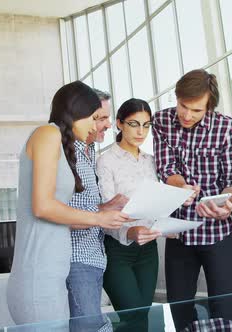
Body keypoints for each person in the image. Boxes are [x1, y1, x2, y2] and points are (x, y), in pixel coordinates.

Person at [6, 81, 129, 325]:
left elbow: (60, 211)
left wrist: (102, 211)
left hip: (53, 272)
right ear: (77, 111)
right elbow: (42, 206)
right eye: (94, 118)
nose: (96, 126)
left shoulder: (62, 146)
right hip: (38, 275)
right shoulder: (47, 133)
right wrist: (98, 218)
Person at [153, 69, 232, 330]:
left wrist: (227, 205)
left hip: (217, 231)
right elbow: (166, 168)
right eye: (183, 105)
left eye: (195, 110)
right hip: (180, 232)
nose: (186, 115)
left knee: (225, 305)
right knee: (178, 306)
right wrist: (181, 187)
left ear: (209, 107)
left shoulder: (226, 128)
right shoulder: (162, 121)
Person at [66, 88, 129, 331]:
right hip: (77, 258)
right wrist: (101, 217)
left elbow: (81, 207)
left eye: (106, 117)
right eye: (100, 118)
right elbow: (57, 212)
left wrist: (107, 207)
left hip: (94, 256)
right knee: (90, 326)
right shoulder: (65, 153)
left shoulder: (89, 151)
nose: (107, 124)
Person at [96, 98, 162, 331]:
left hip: (148, 250)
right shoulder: (105, 161)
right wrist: (130, 230)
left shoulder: (151, 162)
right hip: (117, 251)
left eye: (146, 125)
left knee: (141, 318)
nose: (141, 131)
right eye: (134, 124)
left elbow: (158, 203)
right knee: (132, 317)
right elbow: (104, 213)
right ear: (119, 124)